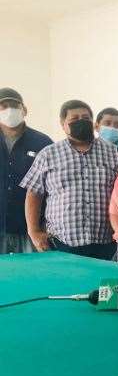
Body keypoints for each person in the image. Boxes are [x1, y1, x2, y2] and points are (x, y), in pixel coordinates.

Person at [21, 100, 118, 260]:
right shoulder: (48, 154)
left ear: (93, 123)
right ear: (63, 124)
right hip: (60, 243)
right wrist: (33, 231)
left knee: (104, 278)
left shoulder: (113, 153)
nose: (81, 122)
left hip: (106, 243)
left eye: (86, 118)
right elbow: (34, 193)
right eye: (74, 119)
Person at [0, 87, 53, 254]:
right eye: (4, 106)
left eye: (14, 105)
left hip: (31, 231)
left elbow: (52, 186)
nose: (9, 110)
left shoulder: (43, 142)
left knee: (31, 270)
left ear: (24, 110)